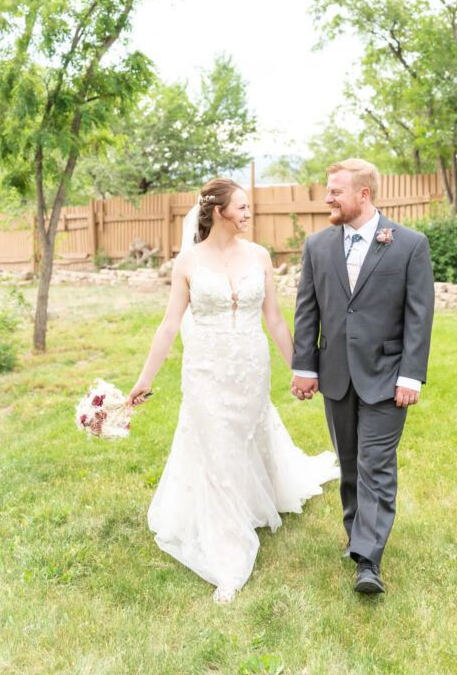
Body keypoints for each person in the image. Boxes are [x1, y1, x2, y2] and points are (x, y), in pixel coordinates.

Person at [127, 177, 338, 604]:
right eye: (241, 207)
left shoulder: (259, 256)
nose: (248, 213)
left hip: (251, 365)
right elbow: (170, 325)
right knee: (217, 449)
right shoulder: (187, 263)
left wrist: (302, 368)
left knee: (247, 437)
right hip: (205, 370)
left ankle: (257, 497)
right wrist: (144, 379)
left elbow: (276, 320)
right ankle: (228, 557)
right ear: (218, 211)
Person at [291, 158, 434, 595]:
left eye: (335, 190)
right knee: (350, 465)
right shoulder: (317, 246)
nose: (328, 198)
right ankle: (358, 536)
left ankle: (368, 560)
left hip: (388, 376)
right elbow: (307, 310)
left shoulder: (409, 244)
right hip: (335, 375)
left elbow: (419, 315)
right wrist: (304, 366)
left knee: (376, 464)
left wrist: (410, 375)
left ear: (363, 195)